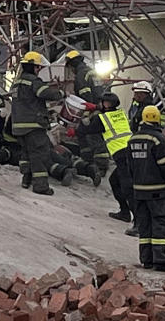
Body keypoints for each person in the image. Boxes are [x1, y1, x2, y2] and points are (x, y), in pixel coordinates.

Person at [127, 105, 165, 272]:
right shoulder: (158, 139)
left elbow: (130, 167)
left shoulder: (133, 139)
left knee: (145, 226)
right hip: (158, 192)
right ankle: (162, 261)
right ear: (157, 119)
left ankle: (147, 259)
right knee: (161, 224)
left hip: (139, 192)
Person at [78, 92, 137, 234]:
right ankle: (124, 212)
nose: (100, 104)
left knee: (128, 188)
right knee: (114, 181)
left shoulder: (102, 119)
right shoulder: (120, 113)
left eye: (102, 102)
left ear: (106, 104)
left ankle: (139, 222)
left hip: (122, 155)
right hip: (130, 152)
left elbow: (87, 129)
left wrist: (85, 115)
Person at [9, 52, 65, 196]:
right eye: (38, 68)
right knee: (39, 155)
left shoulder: (17, 83)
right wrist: (60, 93)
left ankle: (26, 179)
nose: (39, 70)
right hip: (33, 125)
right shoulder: (34, 81)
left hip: (18, 125)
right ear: (34, 67)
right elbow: (43, 93)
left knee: (26, 154)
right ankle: (40, 186)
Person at [65, 49, 104, 184]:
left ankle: (96, 165)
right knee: (95, 136)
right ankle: (97, 163)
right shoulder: (91, 71)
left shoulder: (81, 75)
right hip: (100, 107)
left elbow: (84, 96)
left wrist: (85, 113)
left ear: (72, 64)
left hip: (91, 110)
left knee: (89, 136)